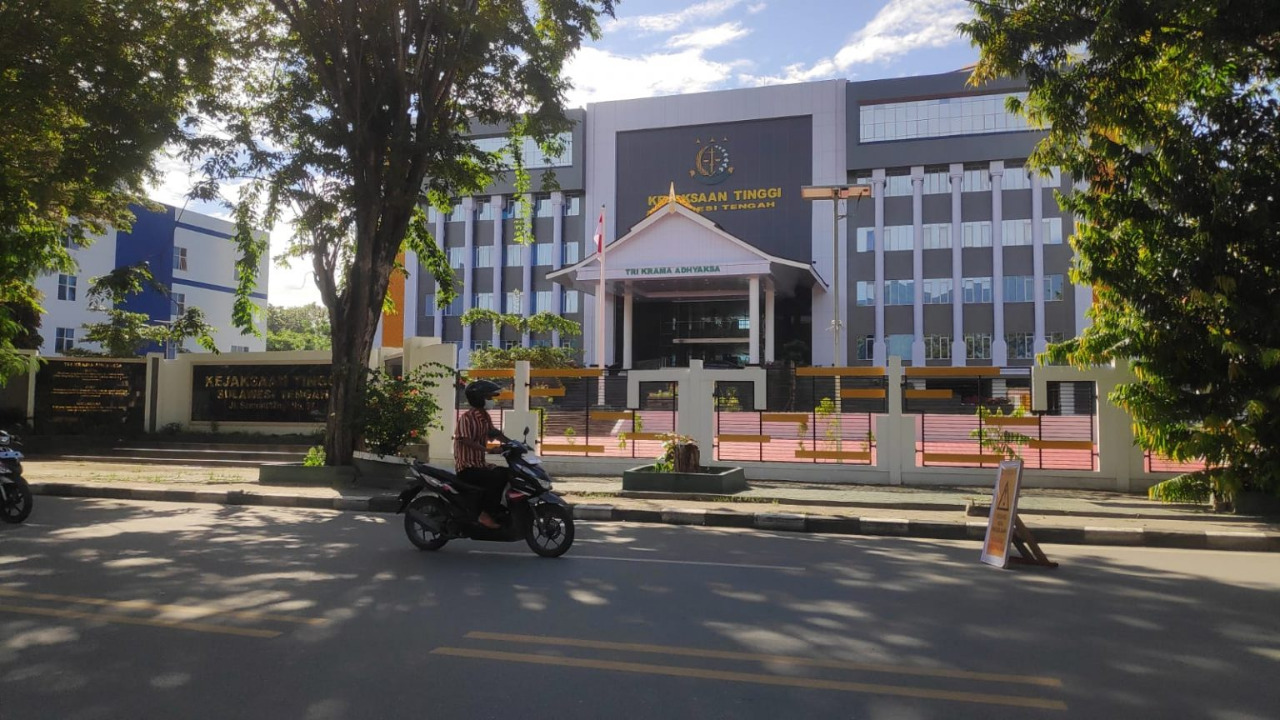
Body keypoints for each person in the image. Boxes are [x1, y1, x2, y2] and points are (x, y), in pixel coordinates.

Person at [454, 380, 510, 529]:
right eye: (489, 397)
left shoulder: (485, 417)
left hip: (480, 465)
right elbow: (466, 440)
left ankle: (497, 509)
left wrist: (513, 443)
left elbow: (494, 433)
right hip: (467, 468)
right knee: (497, 477)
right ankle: (485, 514)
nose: (492, 401)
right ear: (479, 398)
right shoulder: (467, 418)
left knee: (507, 472)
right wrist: (488, 450)